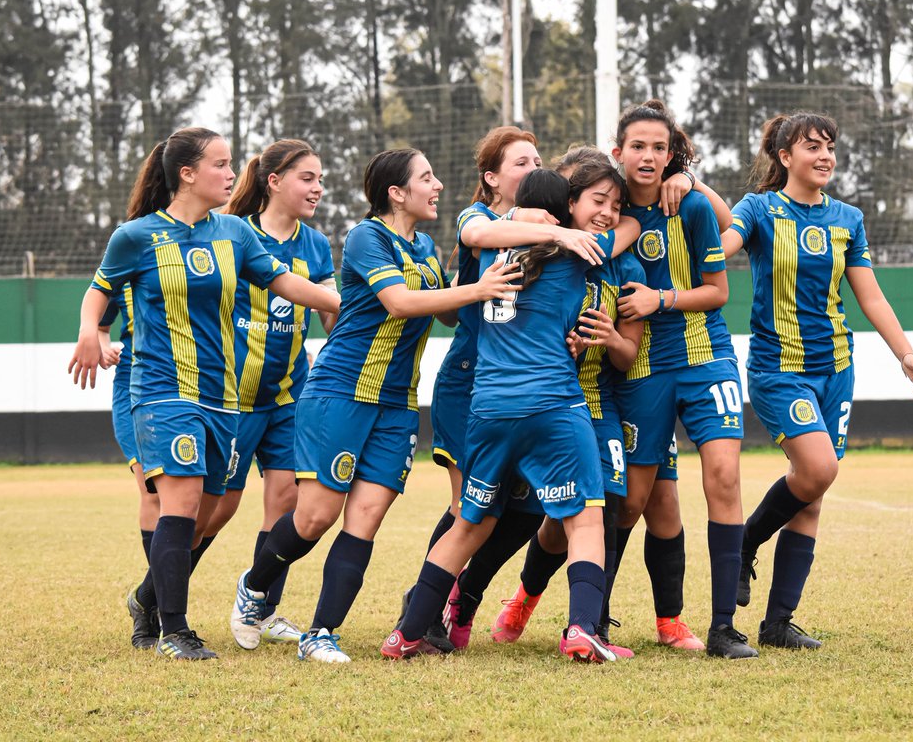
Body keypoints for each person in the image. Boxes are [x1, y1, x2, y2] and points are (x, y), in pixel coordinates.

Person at [229, 148, 523, 664]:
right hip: (341, 391)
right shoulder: (368, 236)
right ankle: (254, 587)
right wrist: (476, 289)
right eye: (426, 178)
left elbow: (449, 315)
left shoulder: (428, 246)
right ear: (396, 192)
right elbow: (400, 303)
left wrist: (482, 281)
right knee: (316, 516)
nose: (436, 186)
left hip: (399, 404)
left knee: (365, 517)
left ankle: (321, 632)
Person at [68, 126, 341, 661]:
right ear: (187, 174)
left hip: (223, 398)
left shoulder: (236, 235)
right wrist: (89, 333)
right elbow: (99, 292)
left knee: (212, 510)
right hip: (162, 390)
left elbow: (288, 285)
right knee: (182, 498)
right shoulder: (137, 236)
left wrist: (365, 301)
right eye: (221, 164)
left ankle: (146, 598)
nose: (232, 173)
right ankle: (176, 629)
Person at [382, 167, 641, 663]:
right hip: (553, 405)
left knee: (469, 524)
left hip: (489, 408)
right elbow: (624, 232)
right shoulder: (576, 249)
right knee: (585, 521)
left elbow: (473, 230)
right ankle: (583, 629)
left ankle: (408, 633)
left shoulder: (485, 248)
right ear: (563, 209)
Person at [725, 111, 913, 649]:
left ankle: (777, 623)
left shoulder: (848, 218)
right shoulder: (760, 209)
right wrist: (694, 190)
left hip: (836, 369)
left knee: (812, 492)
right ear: (784, 156)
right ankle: (746, 541)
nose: (825, 156)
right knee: (819, 469)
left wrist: (905, 353)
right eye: (811, 146)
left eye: (831, 147)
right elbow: (722, 247)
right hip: (778, 369)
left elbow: (871, 295)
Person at [415, 127, 609, 650]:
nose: (532, 167)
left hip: (517, 391)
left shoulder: (553, 237)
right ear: (493, 178)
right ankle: (425, 618)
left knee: (522, 511)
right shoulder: (478, 219)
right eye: (521, 161)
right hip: (471, 382)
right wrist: (558, 233)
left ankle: (461, 601)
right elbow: (479, 238)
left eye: (537, 160)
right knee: (470, 509)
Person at [609, 99, 758, 658]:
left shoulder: (690, 205)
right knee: (630, 502)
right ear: (619, 152)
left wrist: (659, 298)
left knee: (722, 477)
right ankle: (592, 616)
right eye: (638, 146)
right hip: (640, 368)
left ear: (672, 155)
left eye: (659, 148)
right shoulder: (607, 204)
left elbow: (718, 292)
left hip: (706, 359)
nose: (648, 157)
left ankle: (723, 627)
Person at [190, 139, 339, 650]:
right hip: (230, 398)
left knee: (287, 501)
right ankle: (157, 594)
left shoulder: (316, 246)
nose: (318, 187)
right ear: (273, 181)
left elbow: (330, 311)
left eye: (321, 179)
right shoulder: (232, 235)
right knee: (217, 509)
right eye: (307, 178)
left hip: (288, 396)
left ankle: (261, 607)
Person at [95, 287, 162, 650]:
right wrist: (102, 344)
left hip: (194, 387)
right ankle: (157, 607)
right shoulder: (126, 259)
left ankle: (146, 598)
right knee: (152, 489)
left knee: (200, 506)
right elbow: (99, 323)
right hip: (136, 388)